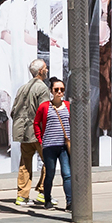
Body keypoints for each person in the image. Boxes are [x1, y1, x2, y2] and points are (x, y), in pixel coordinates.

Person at [11, 57, 50, 206]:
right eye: (45, 68)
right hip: (37, 132)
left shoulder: (22, 88)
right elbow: (44, 111)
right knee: (49, 161)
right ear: (40, 71)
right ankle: (42, 192)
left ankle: (22, 196)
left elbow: (13, 111)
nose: (47, 70)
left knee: (25, 163)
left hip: (24, 133)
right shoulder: (42, 88)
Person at [33, 76, 72, 209]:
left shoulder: (67, 105)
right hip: (49, 146)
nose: (59, 92)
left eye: (62, 89)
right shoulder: (44, 107)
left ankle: (70, 202)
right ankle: (47, 199)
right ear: (51, 91)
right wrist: (40, 139)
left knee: (67, 174)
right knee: (50, 173)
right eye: (57, 89)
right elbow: (36, 123)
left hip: (63, 146)